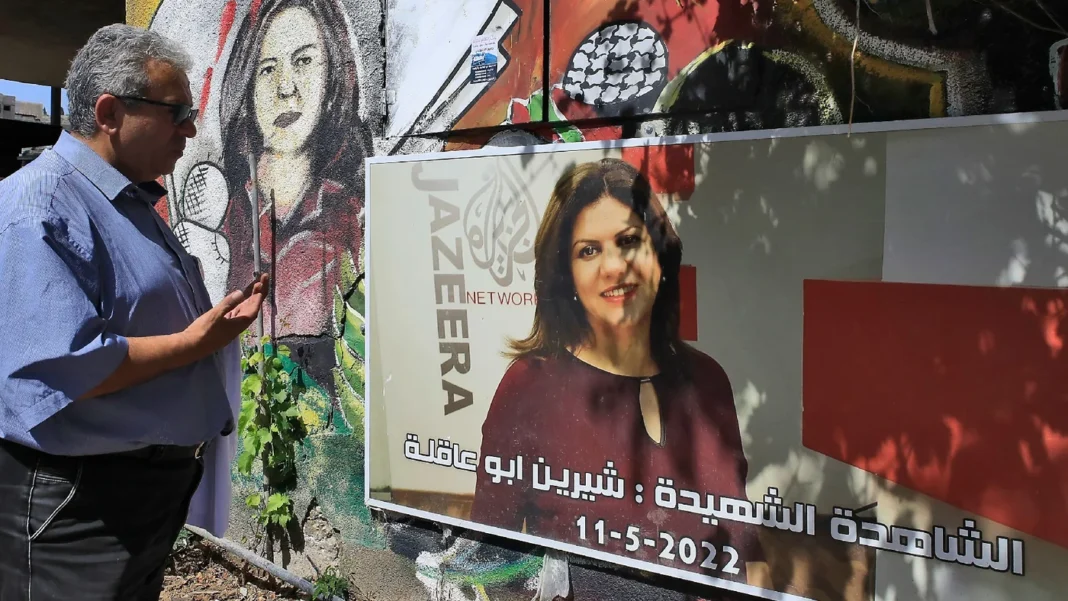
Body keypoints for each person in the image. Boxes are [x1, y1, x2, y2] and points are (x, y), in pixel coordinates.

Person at [0, 24, 268, 600]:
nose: (190, 129)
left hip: (137, 496)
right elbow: (64, 363)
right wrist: (193, 345)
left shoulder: (129, 198)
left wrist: (215, 329)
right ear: (109, 112)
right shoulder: (40, 205)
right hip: (78, 508)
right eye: (176, 112)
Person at [469, 158, 763, 581]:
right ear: (564, 274)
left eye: (628, 241)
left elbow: (747, 553)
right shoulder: (529, 387)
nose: (613, 267)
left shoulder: (708, 379)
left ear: (658, 254)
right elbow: (490, 565)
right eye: (588, 250)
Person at [219, 0, 372, 389]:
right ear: (247, 86)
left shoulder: (353, 216)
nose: (285, 88)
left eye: (303, 62)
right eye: (267, 69)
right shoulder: (227, 218)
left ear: (333, 74)